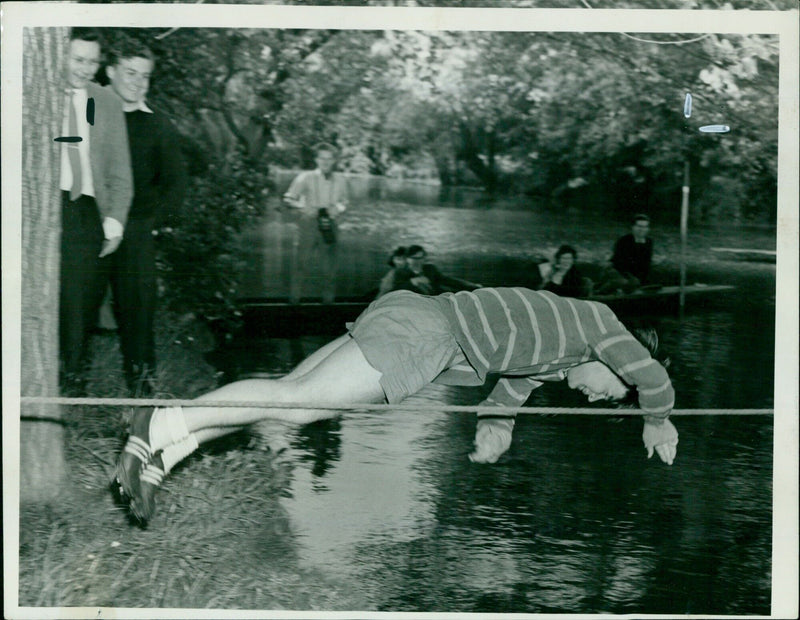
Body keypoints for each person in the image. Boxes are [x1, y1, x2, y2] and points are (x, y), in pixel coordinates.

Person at [114, 287, 678, 524]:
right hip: (426, 335)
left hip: (418, 317)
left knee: (289, 396)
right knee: (297, 405)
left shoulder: (561, 352)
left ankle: (163, 452)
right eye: (611, 392)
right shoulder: (604, 324)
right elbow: (651, 378)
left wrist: (497, 426)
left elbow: (513, 386)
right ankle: (158, 422)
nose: (594, 396)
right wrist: (656, 420)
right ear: (616, 363)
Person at [104, 40, 187, 396]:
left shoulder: (158, 125)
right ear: (110, 72)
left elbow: (177, 182)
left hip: (135, 230)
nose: (138, 83)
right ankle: (67, 384)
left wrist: (152, 223)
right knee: (74, 307)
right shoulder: (89, 109)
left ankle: (143, 394)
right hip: (86, 224)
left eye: (145, 76)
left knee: (137, 312)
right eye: (130, 73)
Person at [59, 28, 133, 395]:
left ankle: (69, 395)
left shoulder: (106, 102)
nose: (86, 69)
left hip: (84, 210)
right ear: (60, 54)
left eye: (93, 61)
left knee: (78, 308)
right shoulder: (29, 91)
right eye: (78, 59)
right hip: (41, 206)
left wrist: (114, 224)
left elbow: (121, 172)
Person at [283, 143, 350, 304]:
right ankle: (294, 304)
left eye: (329, 158)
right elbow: (288, 199)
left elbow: (345, 201)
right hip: (308, 224)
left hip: (330, 225)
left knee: (329, 270)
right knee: (301, 266)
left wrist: (339, 209)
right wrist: (303, 207)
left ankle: (327, 305)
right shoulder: (305, 177)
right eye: (322, 158)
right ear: (316, 159)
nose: (325, 162)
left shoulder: (341, 180)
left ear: (334, 160)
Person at [596, 214, 654, 294]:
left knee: (639, 283)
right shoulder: (624, 241)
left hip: (632, 273)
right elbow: (620, 263)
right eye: (639, 226)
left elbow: (646, 262)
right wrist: (632, 277)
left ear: (648, 229)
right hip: (617, 270)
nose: (642, 229)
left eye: (645, 227)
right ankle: (599, 293)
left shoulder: (649, 242)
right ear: (633, 227)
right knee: (623, 282)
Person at [391, 245, 481, 295]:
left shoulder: (429, 269)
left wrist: (472, 286)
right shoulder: (400, 272)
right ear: (407, 259)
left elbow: (448, 280)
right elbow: (394, 291)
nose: (418, 262)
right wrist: (412, 282)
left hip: (436, 300)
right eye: (414, 258)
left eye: (421, 258)